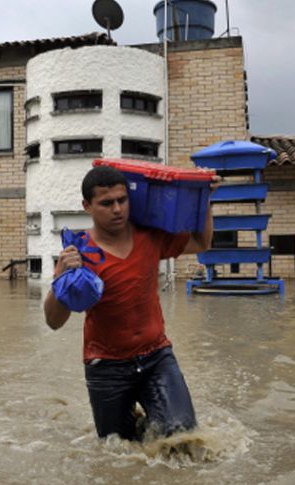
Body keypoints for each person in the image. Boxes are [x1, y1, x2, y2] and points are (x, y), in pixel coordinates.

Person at [43, 165, 219, 441]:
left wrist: (204, 198)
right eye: (106, 203)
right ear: (87, 206)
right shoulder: (78, 255)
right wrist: (61, 277)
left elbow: (201, 242)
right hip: (106, 367)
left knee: (183, 437)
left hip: (156, 357)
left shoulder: (150, 235)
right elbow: (53, 322)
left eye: (122, 200)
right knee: (118, 449)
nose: (117, 209)